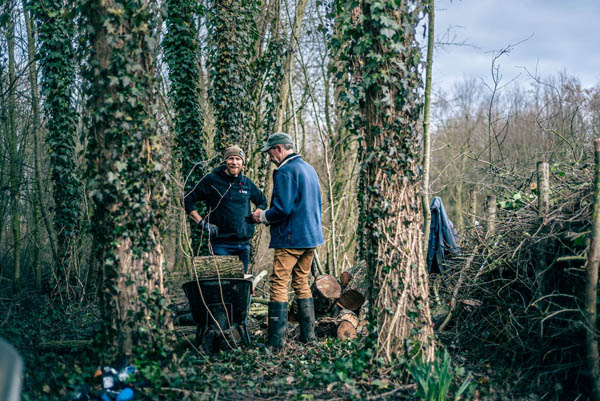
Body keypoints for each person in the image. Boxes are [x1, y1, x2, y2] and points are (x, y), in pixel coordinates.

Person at [252, 132, 323, 348]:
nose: (270, 157)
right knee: (302, 282)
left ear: (279, 149)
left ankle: (275, 341)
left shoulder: (285, 171)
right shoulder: (309, 169)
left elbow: (282, 209)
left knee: (279, 283)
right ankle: (308, 336)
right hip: (311, 238)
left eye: (270, 152)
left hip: (290, 239)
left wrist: (262, 216)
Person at [184, 145, 267, 274]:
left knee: (241, 284)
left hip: (244, 244)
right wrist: (202, 223)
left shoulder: (246, 183)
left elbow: (262, 201)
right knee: (223, 284)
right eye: (231, 158)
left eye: (238, 159)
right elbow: (187, 200)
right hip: (221, 244)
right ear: (225, 161)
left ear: (242, 162)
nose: (234, 162)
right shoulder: (212, 180)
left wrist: (258, 211)